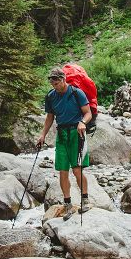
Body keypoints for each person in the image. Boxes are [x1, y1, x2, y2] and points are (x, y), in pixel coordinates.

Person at [37, 68, 93, 221]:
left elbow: (88, 113)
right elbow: (50, 117)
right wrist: (43, 135)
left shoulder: (76, 93)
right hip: (61, 134)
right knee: (62, 171)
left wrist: (83, 122)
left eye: (56, 83)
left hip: (77, 133)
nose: (54, 86)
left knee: (77, 170)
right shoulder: (51, 96)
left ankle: (85, 200)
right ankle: (68, 204)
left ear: (63, 79)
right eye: (52, 83)